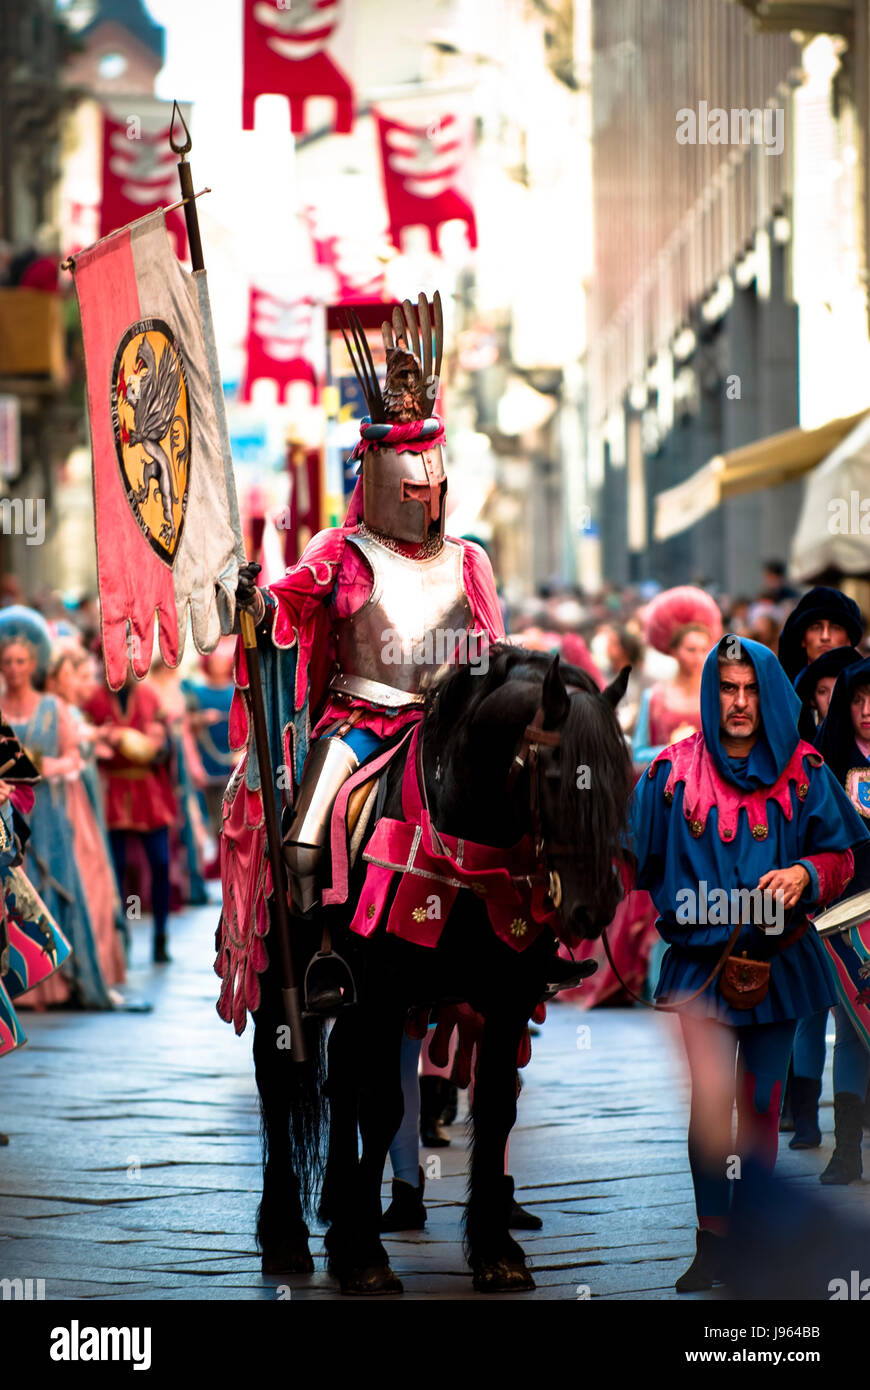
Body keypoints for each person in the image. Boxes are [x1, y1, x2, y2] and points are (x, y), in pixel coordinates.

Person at [629, 634, 868, 1292]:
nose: (739, 703)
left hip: (780, 963)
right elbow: (627, 860)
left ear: (768, 695)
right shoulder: (667, 773)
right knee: (711, 1104)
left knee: (762, 1104)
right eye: (727, 689)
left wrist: (804, 872)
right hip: (698, 968)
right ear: (713, 693)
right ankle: (713, 1243)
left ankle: (756, 1237)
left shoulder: (810, 771)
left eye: (751, 690)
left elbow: (844, 858)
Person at [0, 611, 112, 1009]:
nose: (14, 670)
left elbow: (73, 759)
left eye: (21, 662)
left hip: (46, 811)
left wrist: (44, 768)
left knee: (48, 891)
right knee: (11, 898)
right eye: (7, 662)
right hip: (5, 817)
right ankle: (17, 987)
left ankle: (55, 984)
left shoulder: (52, 707)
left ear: (33, 664)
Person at [812, 656, 870, 1182]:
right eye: (857, 699)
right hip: (846, 919)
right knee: (851, 1032)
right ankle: (847, 1149)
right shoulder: (824, 765)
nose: (868, 711)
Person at [85, 671, 177, 964]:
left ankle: (160, 934)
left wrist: (158, 746)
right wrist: (105, 743)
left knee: (160, 863)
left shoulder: (150, 695)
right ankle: (122, 934)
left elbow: (168, 747)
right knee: (117, 869)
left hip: (149, 791)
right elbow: (86, 747)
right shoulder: (94, 699)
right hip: (113, 790)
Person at [632, 586, 722, 766]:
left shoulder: (721, 695)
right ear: (673, 651)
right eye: (691, 650)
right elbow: (638, 755)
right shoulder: (654, 697)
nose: (698, 657)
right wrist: (671, 747)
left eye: (704, 650)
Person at [777, 585, 863, 683]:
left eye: (836, 628)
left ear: (849, 640)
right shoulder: (782, 693)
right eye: (815, 628)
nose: (825, 636)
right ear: (803, 639)